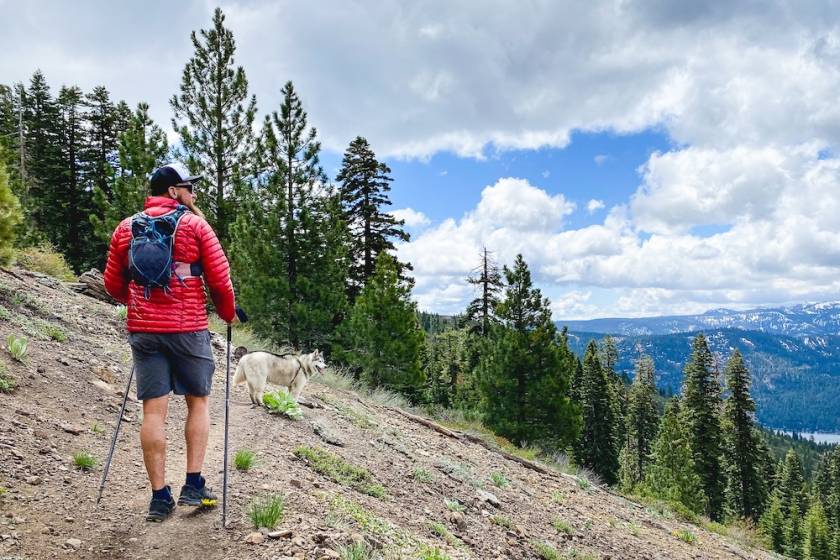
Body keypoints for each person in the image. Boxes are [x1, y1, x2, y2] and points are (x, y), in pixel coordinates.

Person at [103, 162, 236, 522]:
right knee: (198, 402)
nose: (194, 193)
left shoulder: (125, 228)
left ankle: (159, 498)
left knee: (153, 411)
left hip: (144, 331)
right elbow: (221, 281)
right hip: (188, 328)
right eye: (189, 187)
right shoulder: (195, 225)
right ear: (174, 191)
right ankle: (193, 484)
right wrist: (226, 313)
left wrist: (139, 305)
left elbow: (113, 285)